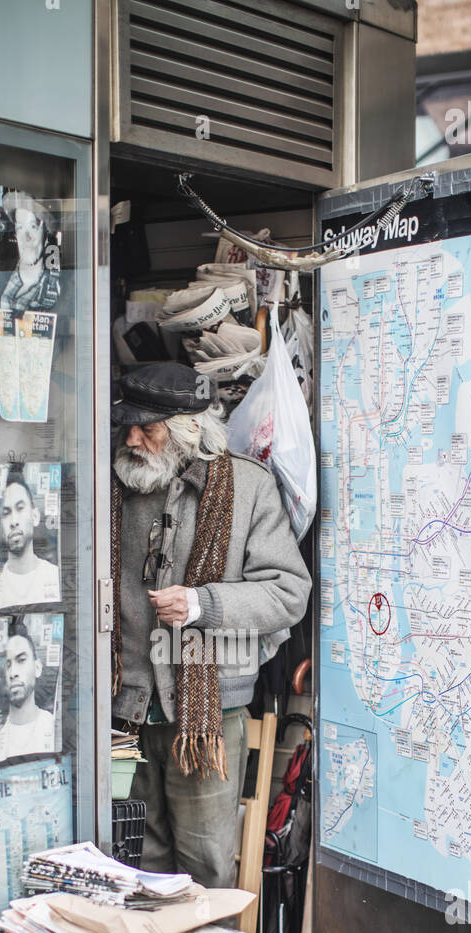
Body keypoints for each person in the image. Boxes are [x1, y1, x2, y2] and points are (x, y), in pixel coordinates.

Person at [111, 363, 311, 889]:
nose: (131, 439)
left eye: (147, 429)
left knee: (205, 869)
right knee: (134, 866)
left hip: (208, 716)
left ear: (189, 430)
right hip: (123, 713)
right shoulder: (110, 487)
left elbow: (290, 592)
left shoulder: (247, 487)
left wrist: (204, 605)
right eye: (127, 425)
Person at [0, 473, 60, 609]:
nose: (14, 521)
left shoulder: (55, 579)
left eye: (20, 508)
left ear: (35, 516)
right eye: (6, 513)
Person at [0, 625, 55, 764]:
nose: (13, 672)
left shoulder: (54, 730)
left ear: (37, 668)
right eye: (7, 664)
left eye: (21, 660)